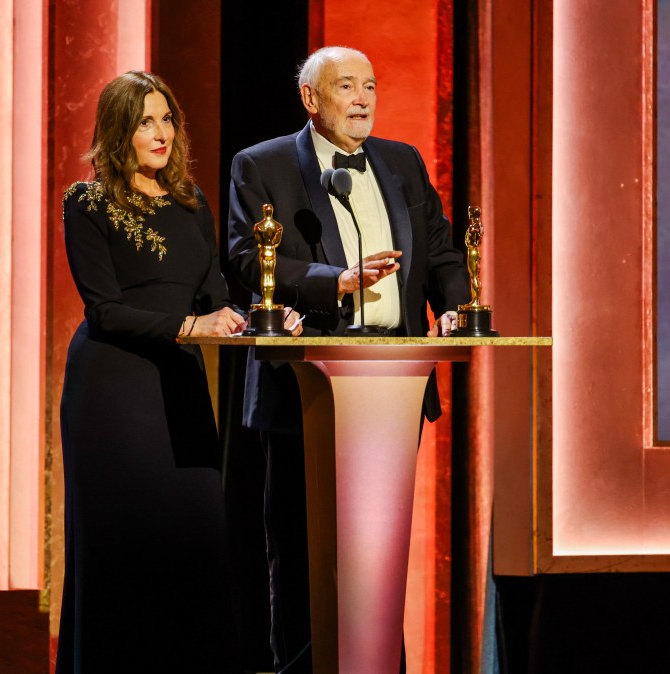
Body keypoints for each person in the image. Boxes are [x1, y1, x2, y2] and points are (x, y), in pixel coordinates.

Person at [226, 46, 470, 672]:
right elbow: (249, 260)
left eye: (370, 86)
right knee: (304, 548)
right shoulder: (263, 165)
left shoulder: (403, 162)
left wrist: (451, 308)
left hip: (389, 383)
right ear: (311, 99)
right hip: (304, 385)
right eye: (346, 87)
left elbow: (441, 253)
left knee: (377, 551)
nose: (363, 99)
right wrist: (333, 281)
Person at [58, 70, 300, 673]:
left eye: (167, 119)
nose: (161, 133)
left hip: (182, 389)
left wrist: (266, 318)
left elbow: (214, 298)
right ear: (119, 130)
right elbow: (105, 309)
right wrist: (194, 329)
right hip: (113, 395)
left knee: (191, 540)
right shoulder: (87, 202)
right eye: (145, 121)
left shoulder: (191, 204)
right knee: (123, 544)